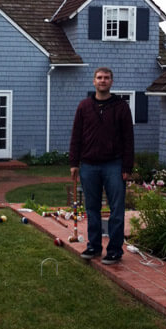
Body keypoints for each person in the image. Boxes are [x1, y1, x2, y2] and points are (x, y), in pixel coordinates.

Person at [69, 67, 134, 265]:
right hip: (89, 165)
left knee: (116, 209)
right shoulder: (84, 106)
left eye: (106, 78)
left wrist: (127, 168)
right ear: (93, 81)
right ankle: (94, 246)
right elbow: (76, 136)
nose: (103, 81)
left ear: (111, 82)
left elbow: (128, 139)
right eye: (99, 77)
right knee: (92, 208)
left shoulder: (121, 107)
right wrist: (74, 162)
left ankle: (114, 250)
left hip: (114, 165)